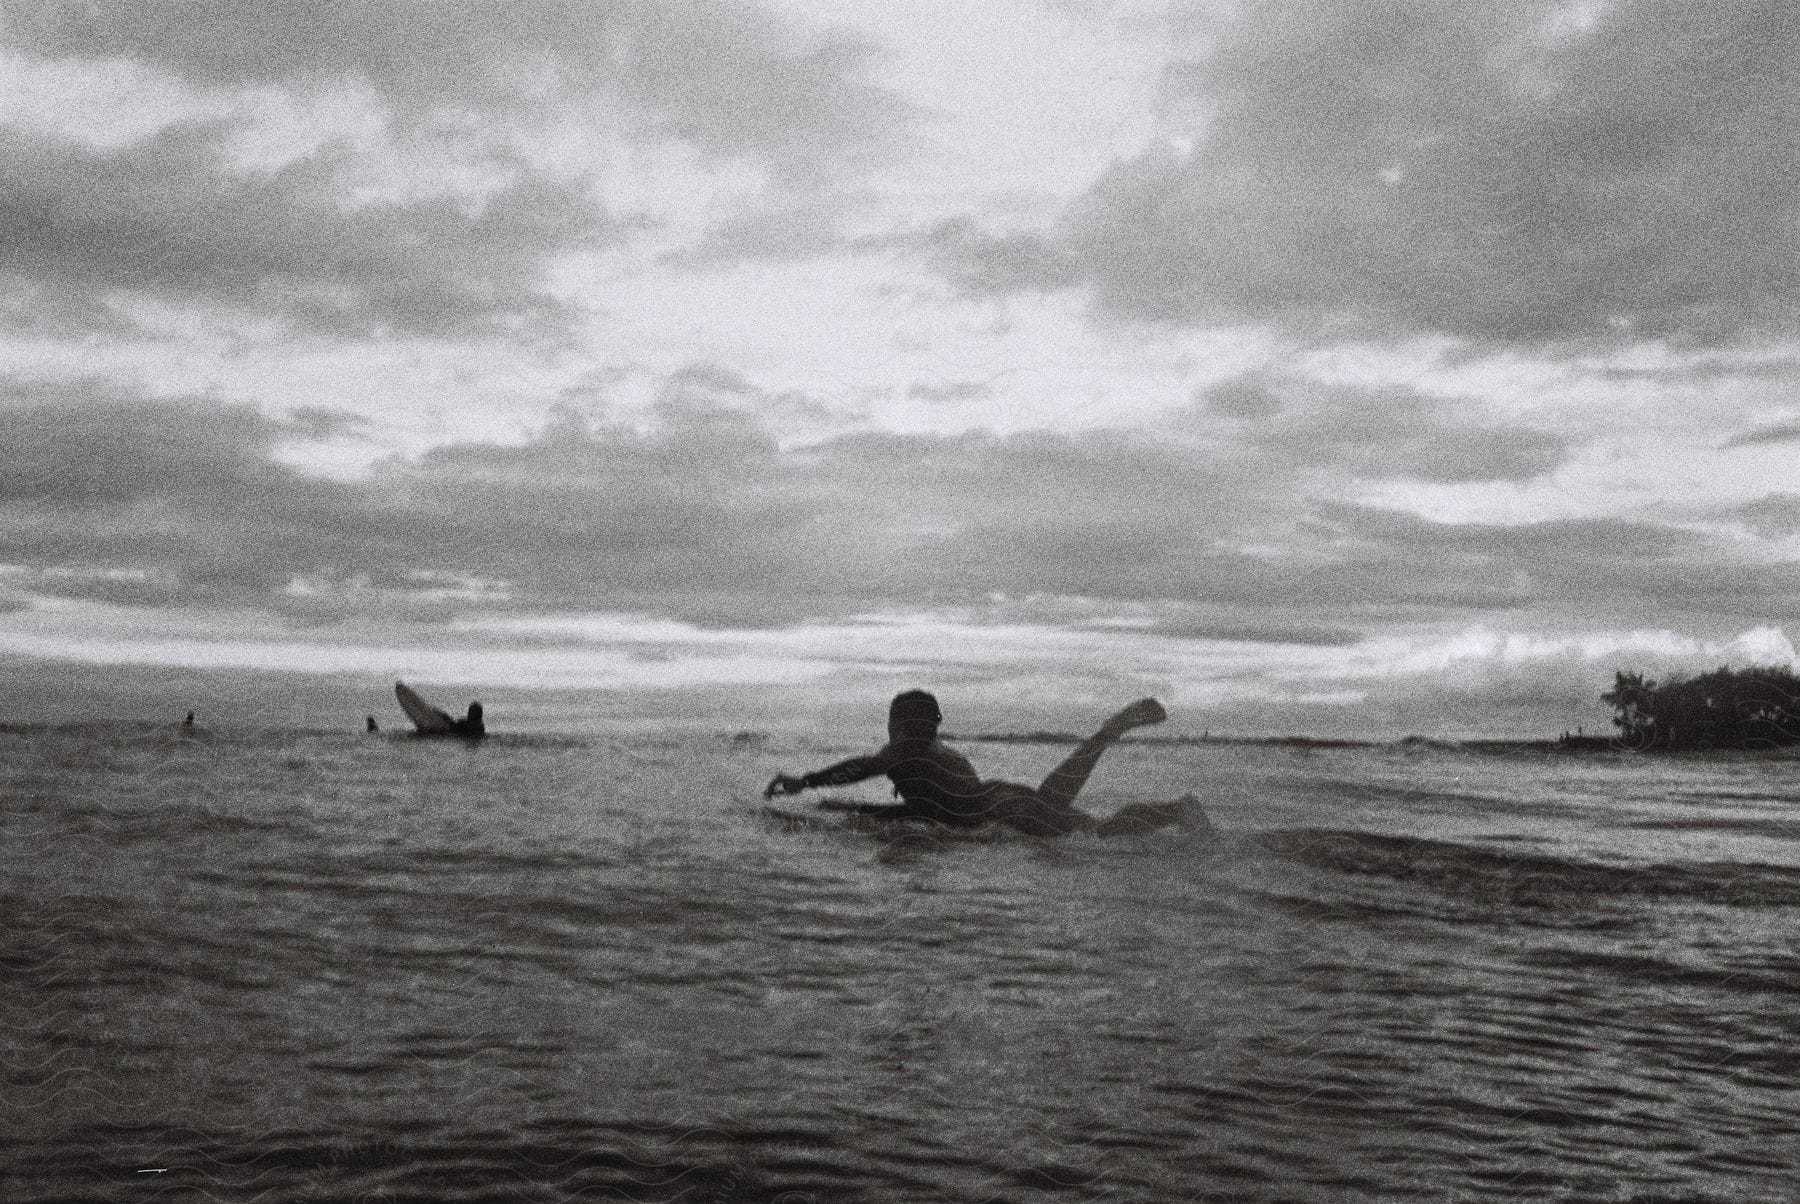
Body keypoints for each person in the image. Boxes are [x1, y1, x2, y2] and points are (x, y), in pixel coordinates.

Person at [764, 691, 1204, 838]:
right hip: (1002, 798)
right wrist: (844, 811)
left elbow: (862, 769)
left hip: (999, 810)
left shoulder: (902, 751)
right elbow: (923, 811)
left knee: (1096, 832)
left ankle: (1174, 806)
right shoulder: (935, 752)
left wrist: (807, 784)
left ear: (896, 725)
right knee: (1078, 818)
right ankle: (1113, 738)